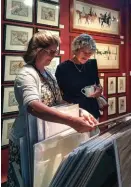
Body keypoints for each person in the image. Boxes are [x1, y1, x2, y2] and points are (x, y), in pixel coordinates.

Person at [7, 31, 98, 187]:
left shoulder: (48, 73)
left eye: (55, 52)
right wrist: (72, 121)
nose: (53, 56)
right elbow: (33, 106)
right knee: (26, 181)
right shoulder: (27, 74)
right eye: (50, 52)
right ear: (36, 50)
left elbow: (58, 101)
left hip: (43, 135)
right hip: (27, 137)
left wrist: (78, 111)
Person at [55, 34, 102, 121]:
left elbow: (98, 85)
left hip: (92, 111)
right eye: (84, 52)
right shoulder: (63, 68)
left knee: (95, 134)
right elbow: (58, 95)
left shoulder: (92, 64)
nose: (87, 56)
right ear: (75, 50)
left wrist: (99, 91)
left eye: (90, 53)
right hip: (75, 113)